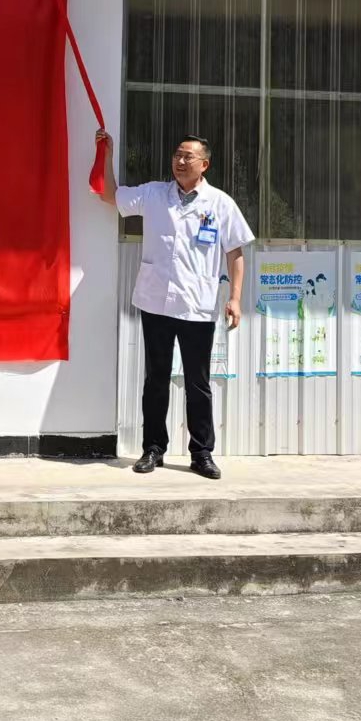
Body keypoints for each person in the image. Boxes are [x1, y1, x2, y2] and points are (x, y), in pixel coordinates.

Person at [96, 129, 254, 479]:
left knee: (198, 383)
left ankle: (202, 453)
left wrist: (235, 298)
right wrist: (105, 153)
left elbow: (236, 253)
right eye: (177, 155)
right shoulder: (154, 194)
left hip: (198, 305)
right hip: (156, 302)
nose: (180, 161)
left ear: (204, 164)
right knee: (156, 379)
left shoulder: (220, 203)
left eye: (188, 157)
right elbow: (109, 194)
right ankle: (153, 449)